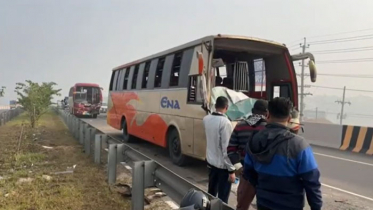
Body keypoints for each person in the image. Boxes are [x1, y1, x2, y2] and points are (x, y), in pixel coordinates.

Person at [244, 97, 322, 210]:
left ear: (268, 115)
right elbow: (312, 181)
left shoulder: (254, 140)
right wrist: (316, 207)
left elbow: (248, 172)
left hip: (263, 203)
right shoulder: (299, 145)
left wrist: (262, 187)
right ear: (289, 118)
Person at [227, 99, 268, 210]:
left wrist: (238, 167)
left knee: (242, 205)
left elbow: (231, 149)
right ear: (267, 113)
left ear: (252, 110)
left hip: (245, 173)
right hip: (265, 176)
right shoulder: (269, 129)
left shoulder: (240, 125)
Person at [203, 96, 236, 203]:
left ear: (216, 106)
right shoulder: (225, 123)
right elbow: (226, 148)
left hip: (211, 163)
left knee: (211, 194)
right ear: (226, 107)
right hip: (223, 167)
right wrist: (231, 170)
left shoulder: (206, 119)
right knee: (222, 198)